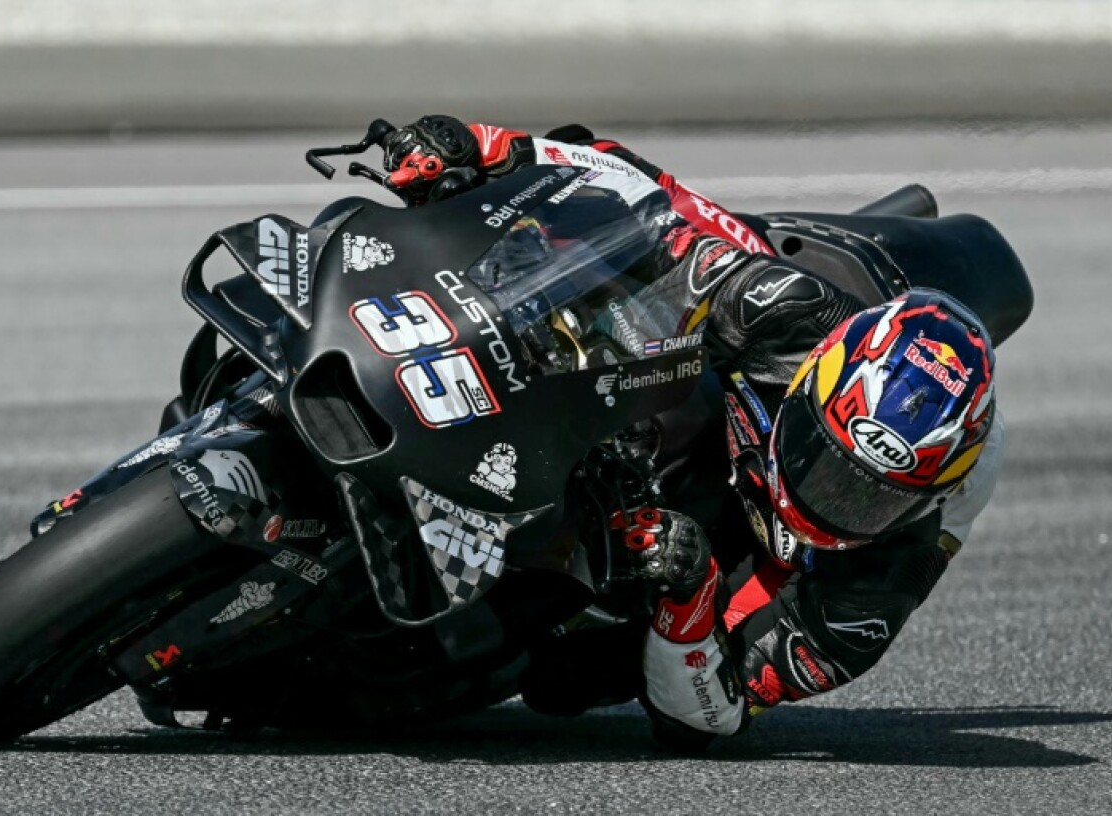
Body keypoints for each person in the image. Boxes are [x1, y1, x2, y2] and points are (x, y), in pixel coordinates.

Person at [380, 115, 1004, 748]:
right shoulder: (788, 314)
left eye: (875, 499)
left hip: (749, 556)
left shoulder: (870, 595)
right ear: (812, 384)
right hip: (742, 372)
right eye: (827, 461)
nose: (834, 502)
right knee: (606, 286)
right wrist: (487, 149)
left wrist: (690, 591)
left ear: (926, 496)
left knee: (568, 680)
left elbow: (709, 717)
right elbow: (661, 204)